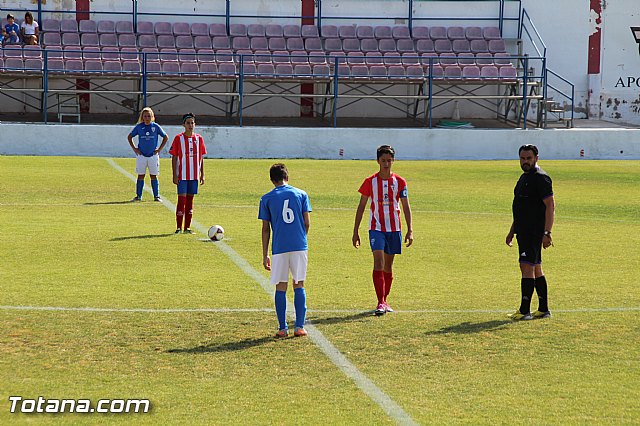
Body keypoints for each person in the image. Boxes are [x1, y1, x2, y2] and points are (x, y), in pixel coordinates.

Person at [352, 145, 413, 316]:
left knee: (388, 266)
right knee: (378, 262)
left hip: (394, 228)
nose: (386, 164)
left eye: (389, 161)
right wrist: (355, 230)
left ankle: (385, 300)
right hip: (376, 228)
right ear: (377, 161)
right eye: (383, 160)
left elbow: (406, 207)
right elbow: (361, 206)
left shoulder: (400, 182)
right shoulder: (369, 181)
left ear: (393, 161)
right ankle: (380, 302)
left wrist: (410, 230)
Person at [259, 164, 312, 338]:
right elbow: (307, 222)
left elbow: (266, 229)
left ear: (272, 179)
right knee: (299, 284)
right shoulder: (301, 194)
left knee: (280, 287)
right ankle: (299, 327)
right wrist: (301, 238)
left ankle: (282, 328)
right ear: (287, 177)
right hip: (299, 246)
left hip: (279, 248)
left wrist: (265, 253)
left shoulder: (266, 198)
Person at [506, 144, 555, 320]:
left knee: (526, 266)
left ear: (536, 158)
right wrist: (512, 230)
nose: (525, 161)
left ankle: (524, 310)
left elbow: (550, 206)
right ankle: (543, 309)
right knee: (535, 268)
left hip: (534, 231)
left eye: (529, 158)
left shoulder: (541, 178)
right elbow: (520, 207)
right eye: (522, 158)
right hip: (523, 230)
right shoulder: (524, 178)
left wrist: (547, 232)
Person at [169, 113, 206, 234]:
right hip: (182, 175)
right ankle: (178, 227)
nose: (190, 125)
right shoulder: (178, 138)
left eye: (192, 123)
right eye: (188, 123)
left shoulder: (199, 138)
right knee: (181, 200)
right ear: (183, 125)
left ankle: (187, 228)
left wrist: (202, 174)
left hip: (194, 175)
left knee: (190, 201)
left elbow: (201, 157)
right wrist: (174, 174)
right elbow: (174, 157)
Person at [127, 107, 168, 202]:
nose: (147, 118)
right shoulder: (139, 127)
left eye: (149, 116)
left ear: (152, 117)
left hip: (153, 155)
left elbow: (165, 137)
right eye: (145, 116)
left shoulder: (156, 127)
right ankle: (138, 196)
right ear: (142, 117)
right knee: (140, 175)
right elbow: (129, 137)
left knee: (153, 175)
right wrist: (135, 149)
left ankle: (156, 196)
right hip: (141, 155)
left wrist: (159, 149)